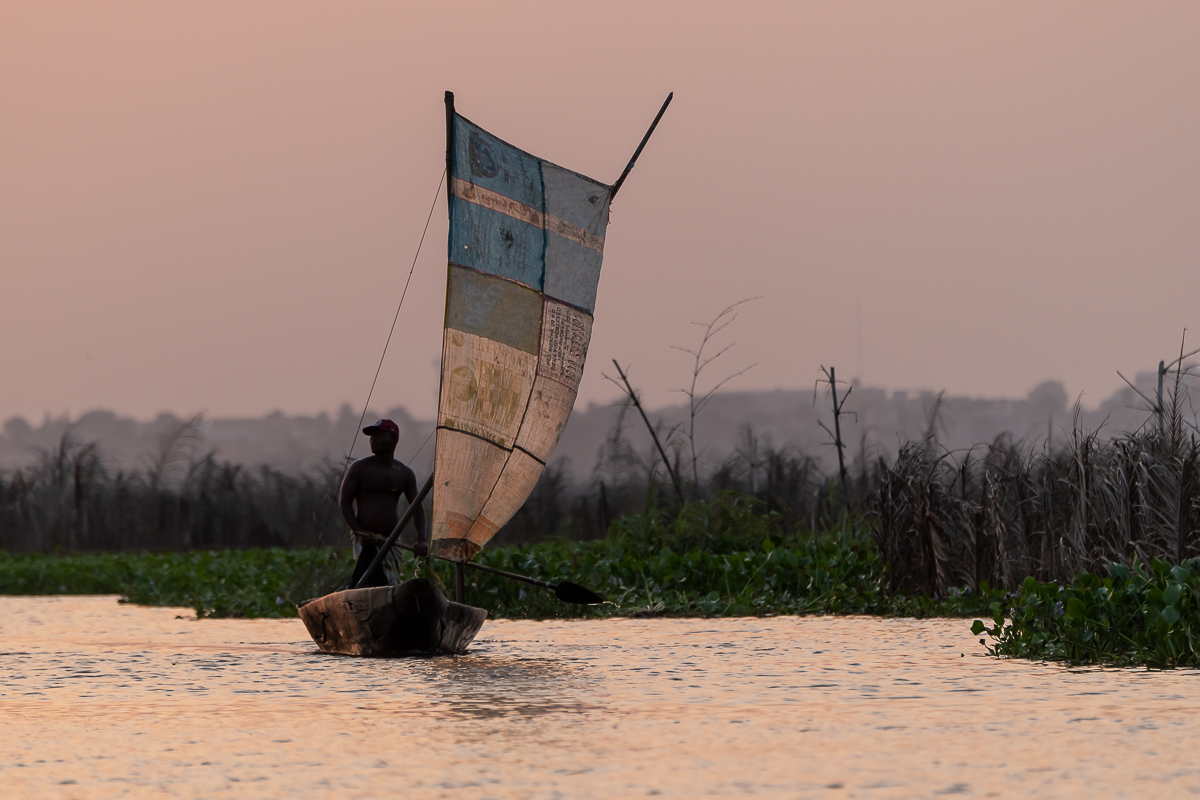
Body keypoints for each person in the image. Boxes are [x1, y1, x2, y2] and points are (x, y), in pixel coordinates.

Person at [338, 419, 428, 588]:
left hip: (391, 540)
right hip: (366, 539)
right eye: (372, 436)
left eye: (380, 436)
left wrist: (422, 539)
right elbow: (344, 502)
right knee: (367, 580)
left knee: (389, 583)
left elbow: (417, 508)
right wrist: (358, 531)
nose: (373, 439)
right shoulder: (360, 468)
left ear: (393, 440)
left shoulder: (404, 473)